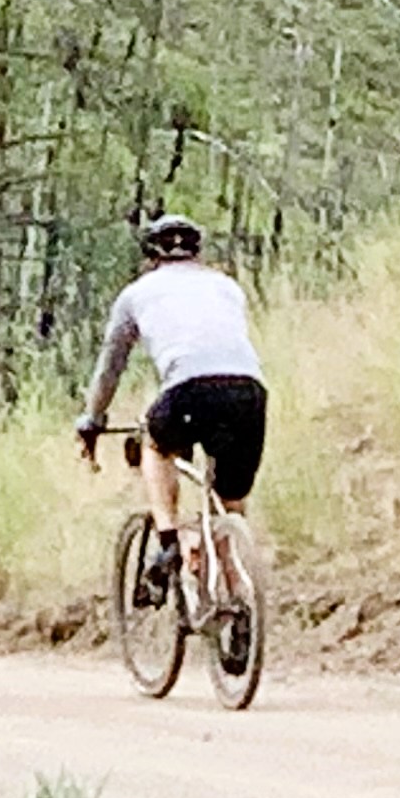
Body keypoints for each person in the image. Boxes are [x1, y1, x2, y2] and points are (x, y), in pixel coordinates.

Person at [73, 214, 267, 598]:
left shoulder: (135, 294)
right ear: (198, 251)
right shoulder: (228, 288)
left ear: (151, 255)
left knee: (156, 442)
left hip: (188, 389)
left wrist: (92, 419)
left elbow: (110, 367)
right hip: (249, 390)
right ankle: (238, 602)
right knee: (229, 506)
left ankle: (168, 541)